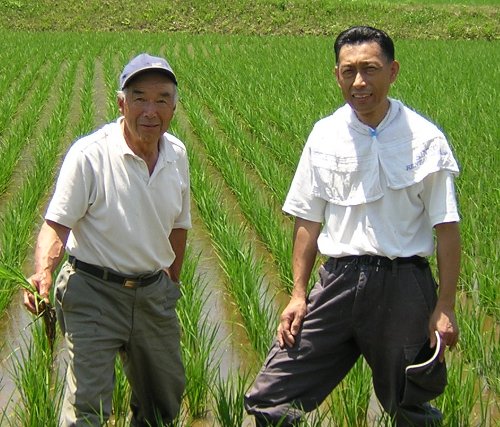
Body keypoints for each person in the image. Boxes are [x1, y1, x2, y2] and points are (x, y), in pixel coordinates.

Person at [244, 26, 460, 426]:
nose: (359, 82)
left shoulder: (426, 139)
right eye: (349, 71)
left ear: (392, 71)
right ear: (337, 75)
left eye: (370, 69)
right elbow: (308, 218)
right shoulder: (324, 134)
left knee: (411, 404)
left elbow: (447, 227)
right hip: (339, 282)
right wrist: (297, 293)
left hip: (404, 285)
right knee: (272, 395)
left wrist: (444, 306)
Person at [23, 53, 191, 426]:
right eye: (140, 98)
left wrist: (171, 282)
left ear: (174, 107)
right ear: (121, 103)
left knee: (163, 401)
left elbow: (180, 225)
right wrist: (44, 274)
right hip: (93, 290)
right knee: (88, 408)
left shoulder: (176, 155)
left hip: (151, 293)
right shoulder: (90, 155)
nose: (151, 110)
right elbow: (56, 225)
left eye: (162, 99)